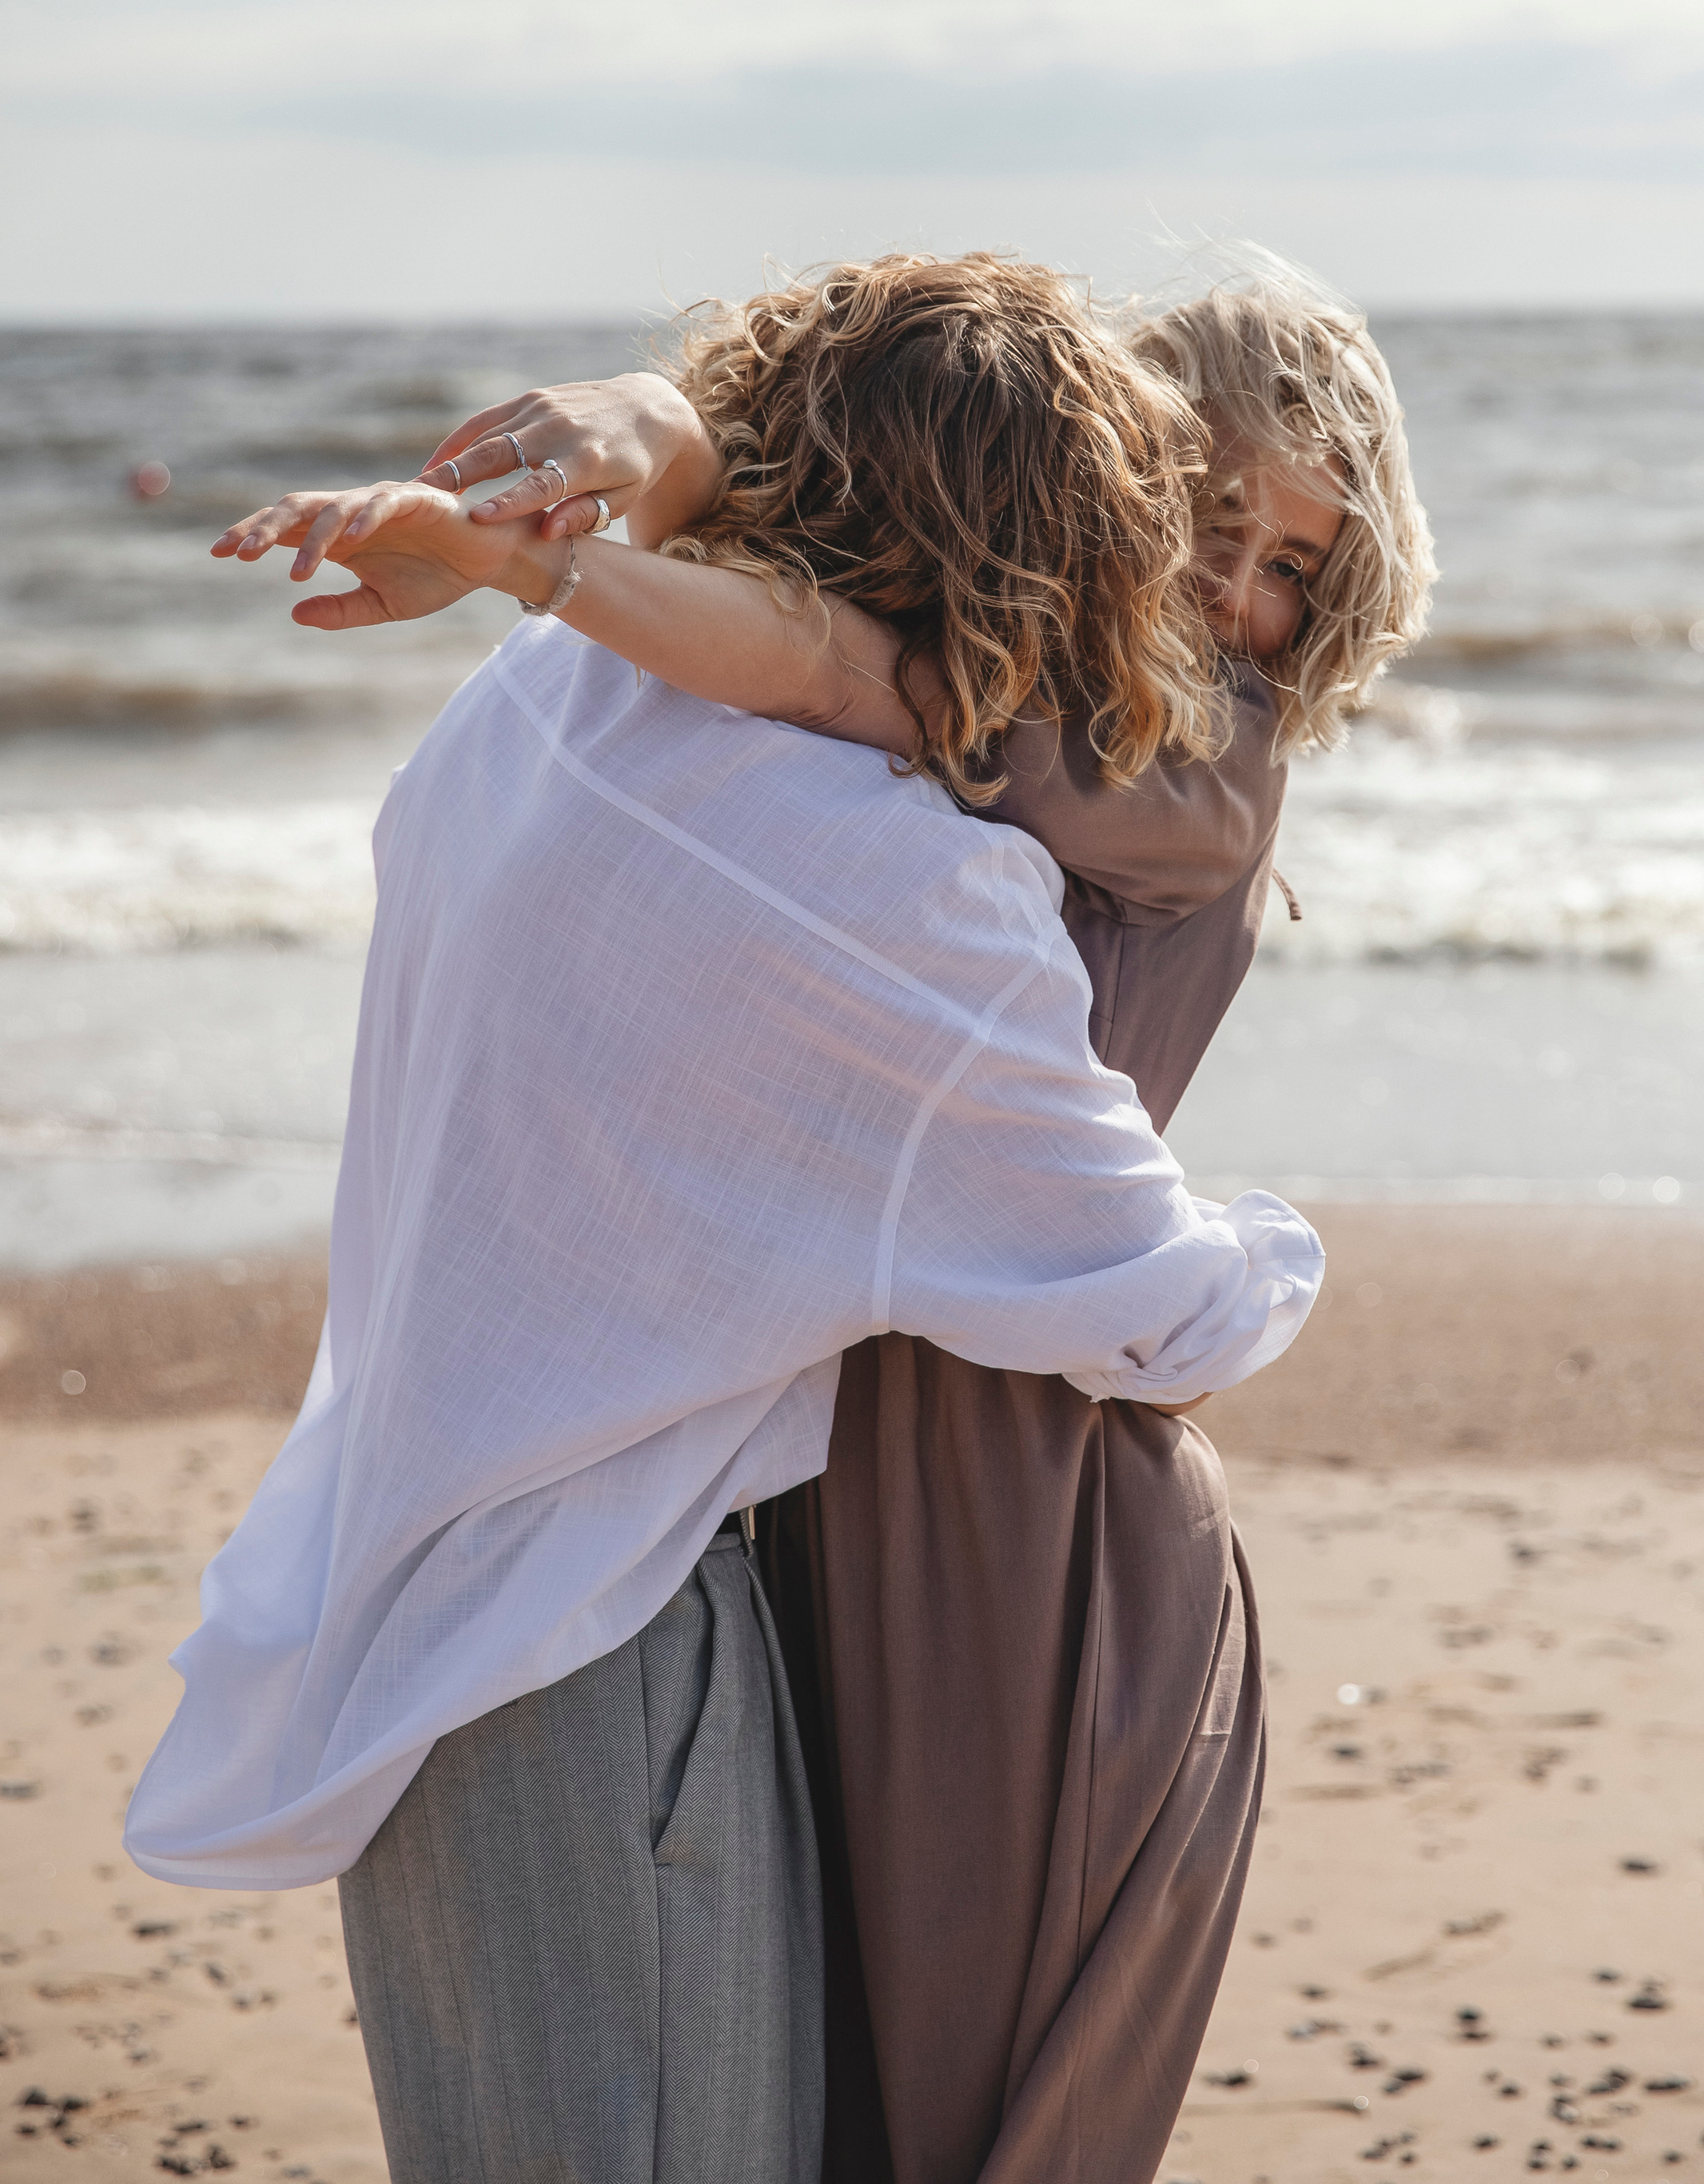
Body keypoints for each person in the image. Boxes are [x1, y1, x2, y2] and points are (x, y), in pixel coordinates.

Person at [127, 254, 1324, 2184]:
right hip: (611, 1654)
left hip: (405, 1614)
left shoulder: (544, 694)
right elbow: (1154, 1302)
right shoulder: (903, 897)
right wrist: (1276, 1249)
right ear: (1047, 546)